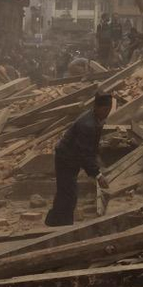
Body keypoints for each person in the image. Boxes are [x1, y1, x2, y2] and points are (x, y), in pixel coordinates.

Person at [45, 94, 113, 227]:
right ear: (98, 108)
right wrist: (98, 175)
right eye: (105, 110)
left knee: (65, 192)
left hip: (73, 156)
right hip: (65, 158)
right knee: (69, 194)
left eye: (109, 109)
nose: (107, 113)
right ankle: (63, 227)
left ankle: (53, 222)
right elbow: (85, 154)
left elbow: (91, 148)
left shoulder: (96, 118)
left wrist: (97, 163)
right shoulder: (87, 125)